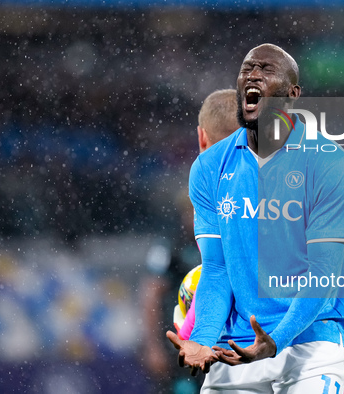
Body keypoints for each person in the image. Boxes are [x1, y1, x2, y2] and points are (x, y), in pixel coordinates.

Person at [167, 43, 344, 392]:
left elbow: (323, 274)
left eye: (266, 70)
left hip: (312, 341)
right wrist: (205, 339)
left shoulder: (329, 163)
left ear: (292, 94)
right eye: (247, 68)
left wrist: (276, 340)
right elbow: (218, 268)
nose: (253, 74)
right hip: (238, 345)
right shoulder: (209, 168)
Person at [141, 89, 239, 393]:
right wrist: (153, 346)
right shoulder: (172, 242)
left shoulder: (235, 222)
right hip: (183, 345)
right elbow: (151, 294)